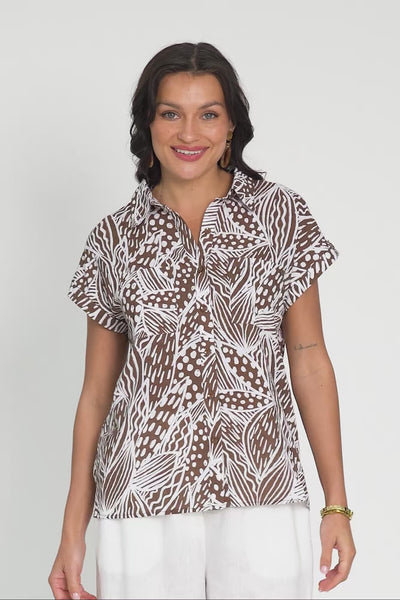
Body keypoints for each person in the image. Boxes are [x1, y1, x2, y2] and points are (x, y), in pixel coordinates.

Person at [48, 42, 356, 600]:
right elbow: (96, 394)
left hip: (262, 488)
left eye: (208, 114)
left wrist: (336, 505)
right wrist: (73, 533)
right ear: (147, 122)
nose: (189, 133)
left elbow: (310, 360)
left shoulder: (279, 216)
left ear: (231, 124)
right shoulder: (113, 238)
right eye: (171, 113)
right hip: (141, 498)